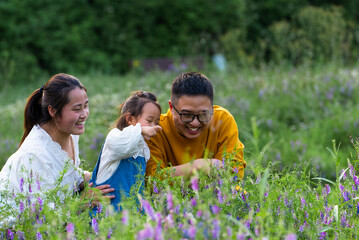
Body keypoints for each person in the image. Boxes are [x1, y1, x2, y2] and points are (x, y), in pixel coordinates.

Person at [0, 73, 113, 199]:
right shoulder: (35, 155)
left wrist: (104, 175)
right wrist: (83, 201)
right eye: (77, 109)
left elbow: (69, 176)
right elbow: (40, 213)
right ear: (52, 111)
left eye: (85, 106)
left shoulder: (70, 133)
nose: (84, 114)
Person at [145, 72, 246, 179]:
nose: (195, 123)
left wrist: (176, 174)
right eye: (187, 114)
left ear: (212, 108)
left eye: (203, 114)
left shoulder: (222, 120)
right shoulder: (154, 128)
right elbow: (151, 179)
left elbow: (234, 172)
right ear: (171, 107)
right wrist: (196, 167)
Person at [90, 91, 161, 211]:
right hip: (106, 215)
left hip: (131, 214)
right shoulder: (115, 137)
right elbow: (125, 146)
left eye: (157, 122)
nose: (153, 126)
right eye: (149, 121)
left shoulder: (143, 149)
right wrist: (142, 131)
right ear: (129, 118)